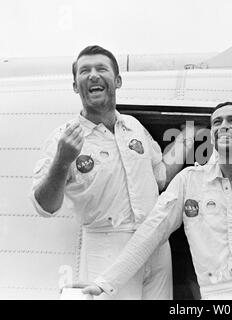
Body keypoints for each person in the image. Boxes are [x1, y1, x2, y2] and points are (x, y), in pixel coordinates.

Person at [82, 101, 232, 300]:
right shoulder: (188, 182)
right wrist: (104, 283)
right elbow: (149, 234)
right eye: (217, 122)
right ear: (212, 136)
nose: (224, 126)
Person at [31, 45, 193, 300]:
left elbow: (160, 174)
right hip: (107, 247)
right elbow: (44, 207)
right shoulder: (64, 138)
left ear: (117, 81)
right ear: (75, 86)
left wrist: (188, 137)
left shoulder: (134, 127)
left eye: (101, 68)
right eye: (85, 71)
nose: (93, 75)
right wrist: (62, 161)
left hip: (156, 245)